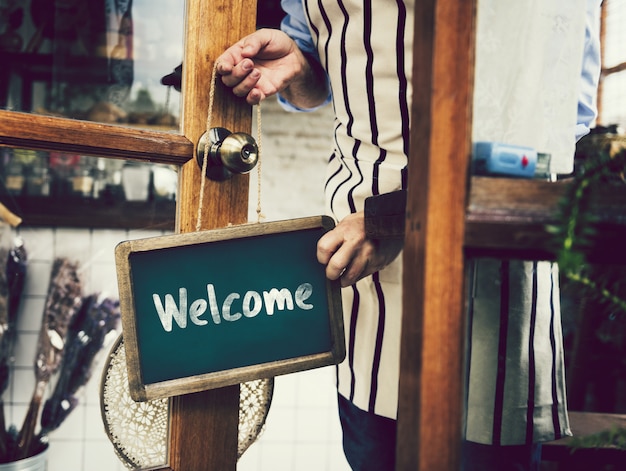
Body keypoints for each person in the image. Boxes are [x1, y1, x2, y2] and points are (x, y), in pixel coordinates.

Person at [216, 1, 603, 469]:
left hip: (484, 273)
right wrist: (298, 66)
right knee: (371, 450)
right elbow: (322, 80)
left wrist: (399, 217)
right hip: (361, 277)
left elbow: (553, 126)